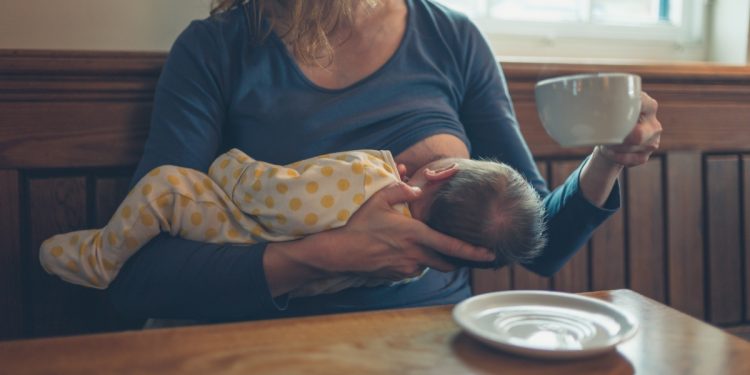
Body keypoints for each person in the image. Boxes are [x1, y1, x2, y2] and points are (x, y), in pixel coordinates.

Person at [107, 0, 661, 322]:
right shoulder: (217, 49)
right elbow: (140, 273)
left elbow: (539, 242)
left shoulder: (452, 39)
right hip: (267, 341)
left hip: (430, 338)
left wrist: (607, 159)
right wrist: (322, 256)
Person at [40, 148, 546, 297]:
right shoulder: (412, 265)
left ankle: (99, 258)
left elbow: (276, 195)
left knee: (166, 185)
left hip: (231, 224)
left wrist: (231, 166)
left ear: (442, 171)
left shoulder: (362, 181)